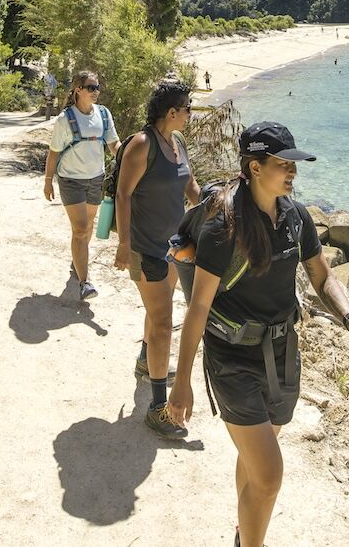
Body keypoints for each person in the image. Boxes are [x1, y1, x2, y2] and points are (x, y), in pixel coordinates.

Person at [168, 121, 349, 547]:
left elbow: (323, 276)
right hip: (232, 358)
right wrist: (181, 382)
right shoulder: (223, 228)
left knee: (257, 464)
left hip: (283, 354)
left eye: (295, 164)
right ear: (253, 167)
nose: (293, 172)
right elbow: (197, 308)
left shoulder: (296, 217)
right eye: (283, 164)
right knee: (269, 476)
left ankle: (243, 529)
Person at [113, 78, 200, 438]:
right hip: (144, 248)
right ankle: (158, 408)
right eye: (187, 109)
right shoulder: (142, 144)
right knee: (164, 320)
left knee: (157, 314)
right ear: (172, 112)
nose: (190, 115)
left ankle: (146, 359)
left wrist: (222, 209)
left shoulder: (177, 142)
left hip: (173, 246)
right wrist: (123, 244)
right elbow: (123, 194)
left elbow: (191, 188)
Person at [43, 70, 119, 300]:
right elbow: (54, 154)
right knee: (79, 228)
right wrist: (48, 181)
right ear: (78, 89)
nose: (96, 92)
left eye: (97, 87)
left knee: (87, 229)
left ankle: (77, 261)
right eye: (91, 87)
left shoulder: (104, 115)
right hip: (71, 180)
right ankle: (85, 282)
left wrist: (131, 158)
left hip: (96, 178)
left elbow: (114, 145)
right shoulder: (65, 119)